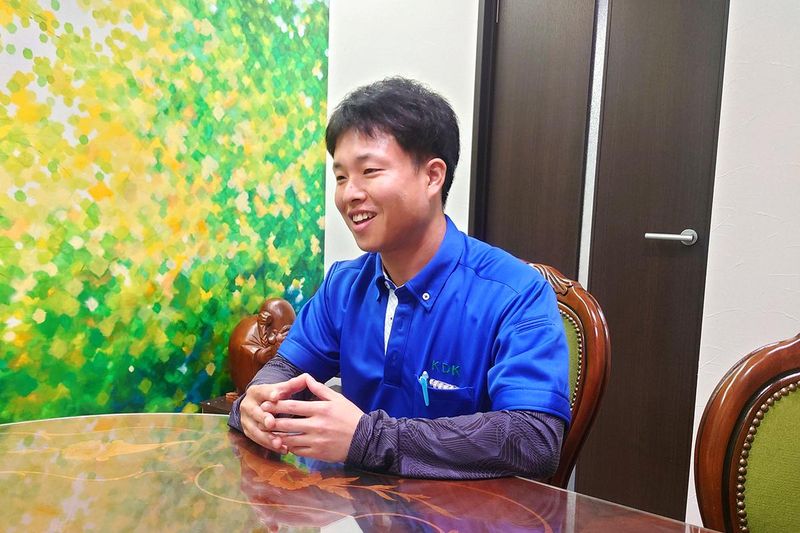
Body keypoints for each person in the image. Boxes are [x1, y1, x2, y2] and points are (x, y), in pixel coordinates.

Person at [228, 77, 570, 480]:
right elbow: (285, 368)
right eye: (341, 177)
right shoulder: (344, 285)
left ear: (433, 177)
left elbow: (533, 439)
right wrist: (255, 403)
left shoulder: (516, 293)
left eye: (369, 171)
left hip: (464, 512)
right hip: (361, 507)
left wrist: (367, 438)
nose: (349, 194)